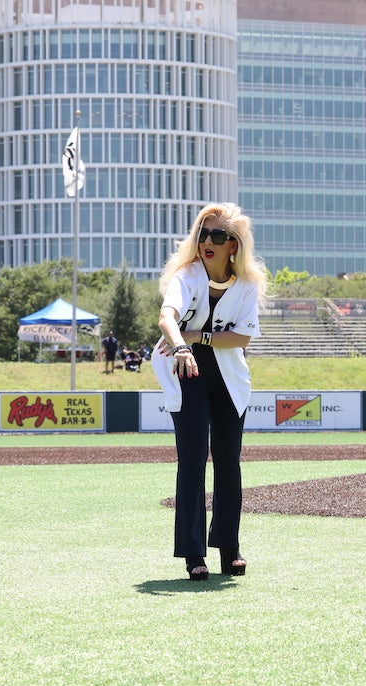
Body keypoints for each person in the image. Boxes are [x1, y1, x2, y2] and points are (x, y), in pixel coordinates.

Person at [152, 202, 267, 580]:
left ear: (234, 245)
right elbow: (167, 317)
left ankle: (229, 548)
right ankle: (193, 554)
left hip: (229, 378)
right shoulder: (186, 275)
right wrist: (182, 345)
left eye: (218, 236)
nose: (208, 242)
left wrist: (197, 335)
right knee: (193, 459)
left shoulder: (248, 284)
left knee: (228, 462)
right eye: (203, 233)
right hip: (188, 369)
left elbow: (244, 336)